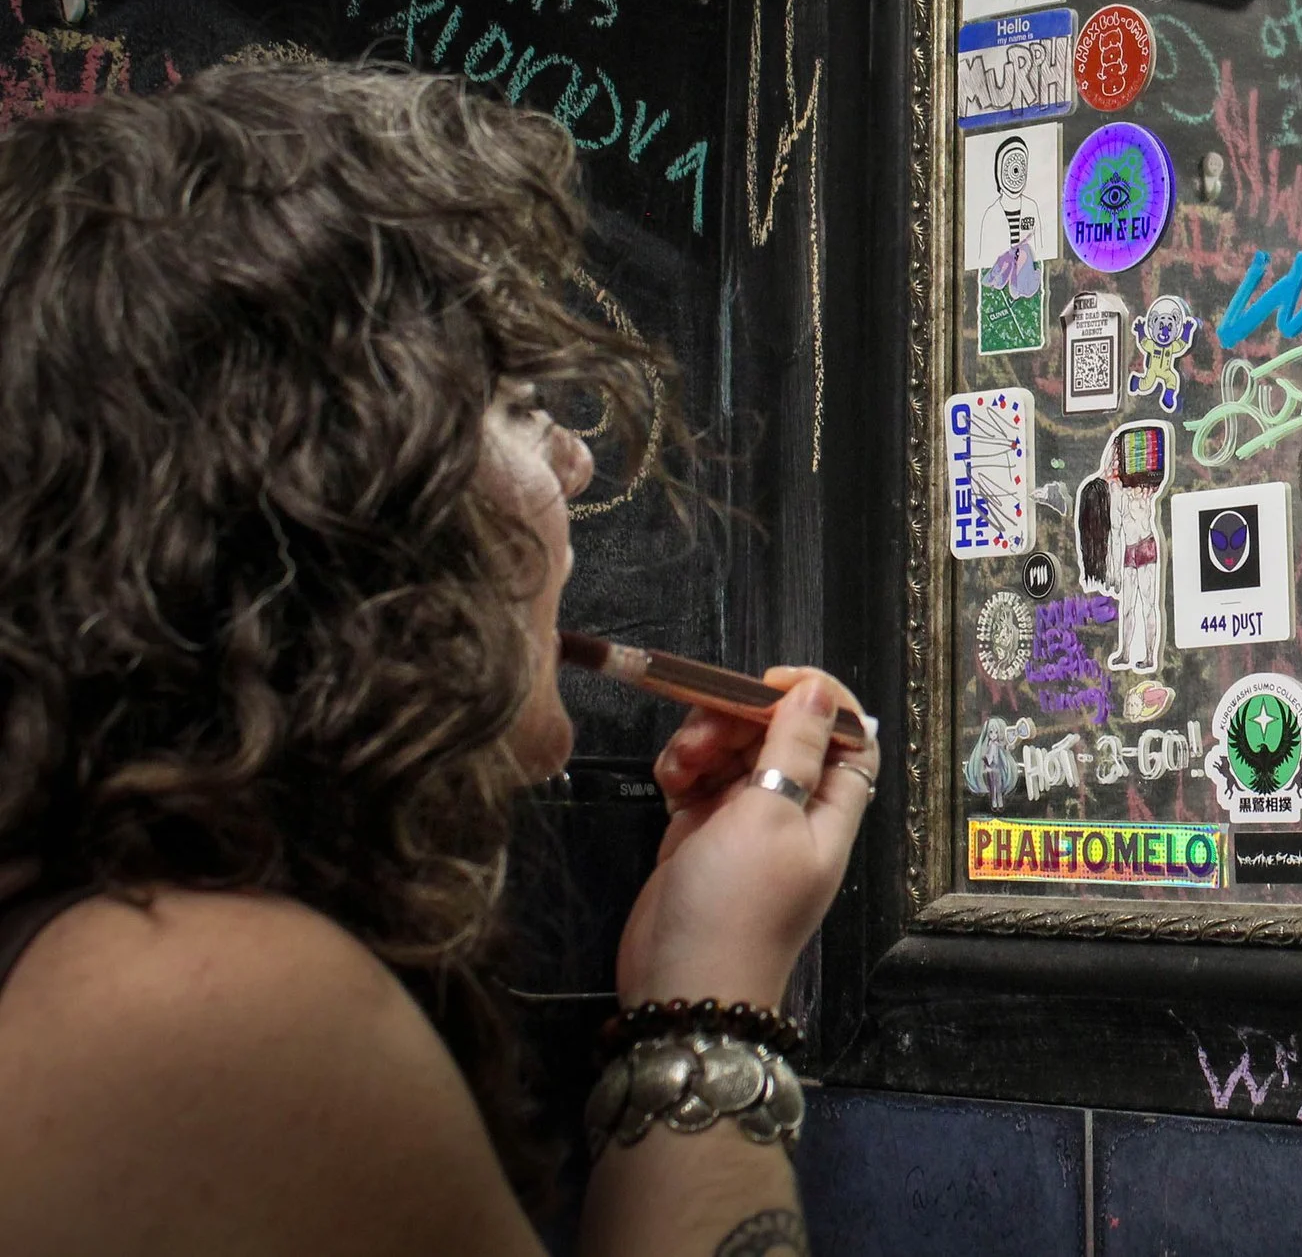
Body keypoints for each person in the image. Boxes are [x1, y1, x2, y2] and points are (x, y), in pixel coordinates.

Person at [0, 65, 879, 1255]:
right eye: (514, 403)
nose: (574, 460)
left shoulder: (98, 948)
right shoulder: (199, 1005)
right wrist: (710, 1010)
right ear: (333, 493)